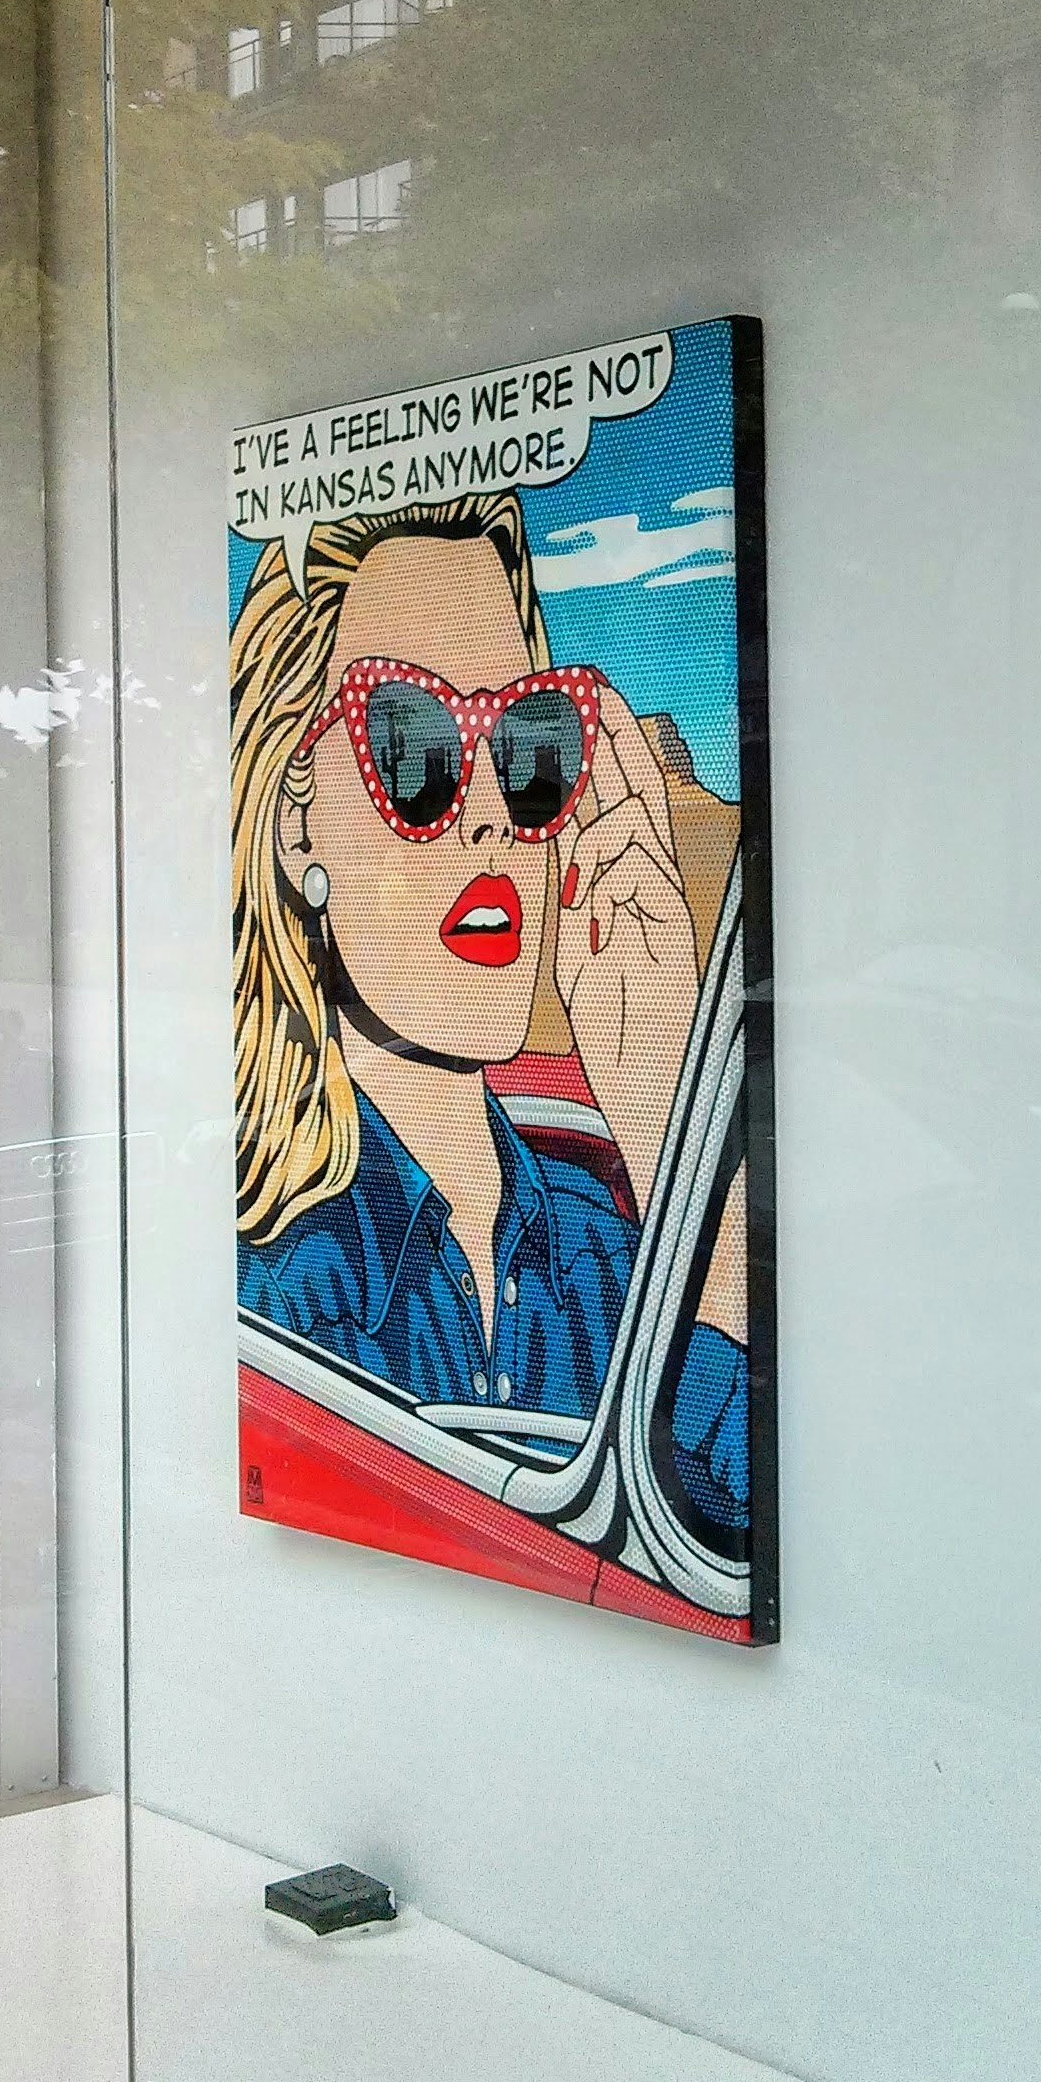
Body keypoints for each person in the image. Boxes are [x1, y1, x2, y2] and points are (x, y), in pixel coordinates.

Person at [232, 490, 749, 1533]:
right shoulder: (279, 1289)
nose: (487, 820)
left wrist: (660, 1092)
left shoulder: (606, 1252)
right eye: (413, 747)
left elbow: (745, 1507)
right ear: (297, 828)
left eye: (528, 745)